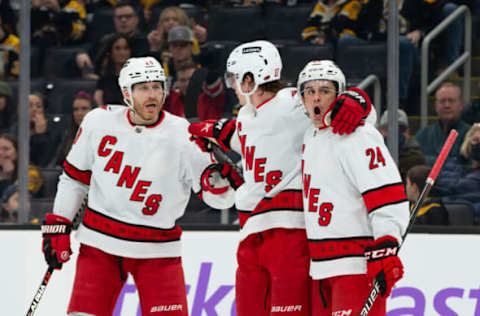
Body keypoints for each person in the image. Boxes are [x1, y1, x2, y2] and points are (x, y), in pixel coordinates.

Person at [40, 56, 240, 315]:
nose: (152, 94)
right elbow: (74, 179)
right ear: (127, 92)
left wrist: (222, 186)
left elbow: (220, 200)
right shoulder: (98, 123)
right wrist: (59, 225)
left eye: (157, 87)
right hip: (100, 247)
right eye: (143, 88)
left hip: (159, 252)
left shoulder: (183, 134)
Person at [188, 41, 372, 316]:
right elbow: (248, 134)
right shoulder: (248, 115)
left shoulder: (293, 102)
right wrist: (210, 131)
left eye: (235, 78)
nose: (231, 86)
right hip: (251, 233)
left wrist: (358, 101)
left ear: (251, 79)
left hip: (290, 232)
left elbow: (348, 111)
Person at [298, 60, 409, 315]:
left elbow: (386, 194)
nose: (317, 98)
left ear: (339, 94)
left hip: (356, 268)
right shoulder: (309, 137)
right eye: (310, 91)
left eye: (325, 90)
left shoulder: (358, 135)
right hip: (320, 269)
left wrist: (387, 242)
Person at [415, 81, 471, 166]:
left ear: (461, 105)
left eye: (451, 101)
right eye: (442, 101)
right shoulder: (423, 134)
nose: (447, 105)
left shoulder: (471, 135)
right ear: (436, 105)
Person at [377, 109, 427, 180]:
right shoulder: (373, 158)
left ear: (407, 133)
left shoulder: (417, 160)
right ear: (380, 131)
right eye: (388, 129)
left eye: (400, 129)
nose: (394, 134)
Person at [55, 91, 95, 166]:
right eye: (76, 109)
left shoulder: (102, 135)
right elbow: (58, 164)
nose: (79, 113)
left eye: (84, 109)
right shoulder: (67, 135)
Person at [93, 33, 132, 105]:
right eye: (117, 48)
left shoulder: (136, 77)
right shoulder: (104, 79)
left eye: (126, 48)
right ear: (110, 52)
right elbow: (98, 101)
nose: (122, 52)